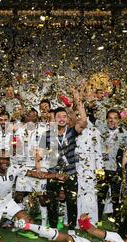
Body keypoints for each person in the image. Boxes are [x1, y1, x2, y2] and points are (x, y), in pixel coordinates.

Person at [39, 90, 87, 232]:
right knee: (52, 202)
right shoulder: (46, 135)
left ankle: (72, 228)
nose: (61, 118)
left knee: (72, 202)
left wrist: (78, 101)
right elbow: (39, 155)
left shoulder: (72, 131)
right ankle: (53, 229)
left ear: (67, 119)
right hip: (53, 174)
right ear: (53, 118)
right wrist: (39, 170)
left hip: (70, 172)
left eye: (64, 116)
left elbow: (83, 121)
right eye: (58, 116)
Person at [96, 109, 127, 221]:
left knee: (115, 198)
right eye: (110, 118)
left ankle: (117, 223)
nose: (112, 121)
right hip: (101, 169)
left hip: (115, 170)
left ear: (119, 120)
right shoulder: (101, 127)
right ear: (107, 119)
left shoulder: (123, 133)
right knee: (100, 197)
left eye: (115, 118)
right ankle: (98, 222)